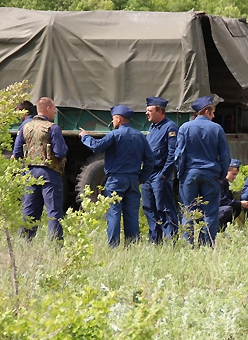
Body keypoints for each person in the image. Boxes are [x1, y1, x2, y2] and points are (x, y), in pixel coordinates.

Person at [79, 105, 154, 248]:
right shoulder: (140, 136)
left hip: (115, 180)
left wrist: (84, 137)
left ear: (119, 119)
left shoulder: (115, 135)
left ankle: (113, 246)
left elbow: (96, 146)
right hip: (133, 180)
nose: (112, 122)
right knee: (132, 213)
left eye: (113, 119)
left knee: (113, 212)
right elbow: (150, 161)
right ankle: (132, 245)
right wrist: (141, 178)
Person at [174, 95, 231, 246]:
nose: (213, 116)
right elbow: (225, 156)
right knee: (210, 212)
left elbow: (179, 154)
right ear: (206, 111)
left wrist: (181, 174)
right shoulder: (217, 129)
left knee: (187, 211)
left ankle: (188, 245)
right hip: (211, 175)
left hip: (190, 174)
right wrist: (221, 175)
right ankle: (207, 244)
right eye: (213, 113)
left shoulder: (185, 128)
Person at [13, 97, 68, 241]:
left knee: (29, 211)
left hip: (30, 173)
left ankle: (24, 242)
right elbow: (60, 152)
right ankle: (55, 245)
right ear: (48, 109)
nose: (55, 112)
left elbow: (17, 152)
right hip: (50, 174)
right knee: (54, 212)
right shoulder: (53, 128)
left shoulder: (26, 127)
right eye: (54, 109)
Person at [141, 97, 180, 244]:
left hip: (160, 174)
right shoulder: (152, 128)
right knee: (148, 208)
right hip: (148, 174)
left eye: (149, 110)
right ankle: (154, 241)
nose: (146, 113)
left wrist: (164, 174)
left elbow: (172, 154)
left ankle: (171, 240)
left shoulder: (170, 127)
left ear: (160, 111)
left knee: (163, 208)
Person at [219, 159, 248, 227]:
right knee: (228, 209)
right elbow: (221, 201)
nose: (234, 177)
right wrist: (240, 203)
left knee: (236, 207)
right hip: (206, 211)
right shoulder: (218, 182)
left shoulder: (225, 183)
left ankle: (221, 228)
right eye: (233, 174)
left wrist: (239, 204)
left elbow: (228, 199)